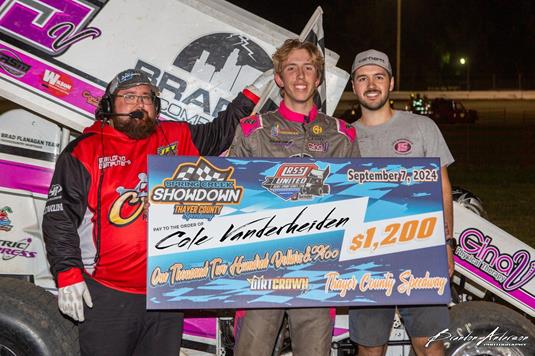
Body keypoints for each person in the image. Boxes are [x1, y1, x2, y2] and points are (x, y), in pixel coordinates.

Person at [42, 68, 269, 355]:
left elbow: (221, 133)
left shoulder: (175, 136)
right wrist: (67, 272)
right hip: (107, 294)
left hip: (165, 292)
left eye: (147, 98)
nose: (139, 104)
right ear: (110, 105)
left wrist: (252, 92)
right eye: (129, 97)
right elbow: (58, 217)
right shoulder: (84, 150)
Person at [230, 39, 360, 356]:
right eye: (291, 68)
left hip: (319, 267)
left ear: (318, 79)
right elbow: (230, 199)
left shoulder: (342, 133)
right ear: (279, 78)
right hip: (259, 265)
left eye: (308, 69)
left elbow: (357, 202)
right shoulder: (252, 129)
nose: (300, 76)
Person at [348, 49, 455, 356]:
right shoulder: (345, 137)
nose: (371, 84)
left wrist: (447, 243)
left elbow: (443, 187)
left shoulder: (422, 127)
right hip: (366, 256)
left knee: (431, 347)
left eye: (378, 77)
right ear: (354, 86)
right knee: (370, 348)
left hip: (421, 252)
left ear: (391, 83)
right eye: (363, 78)